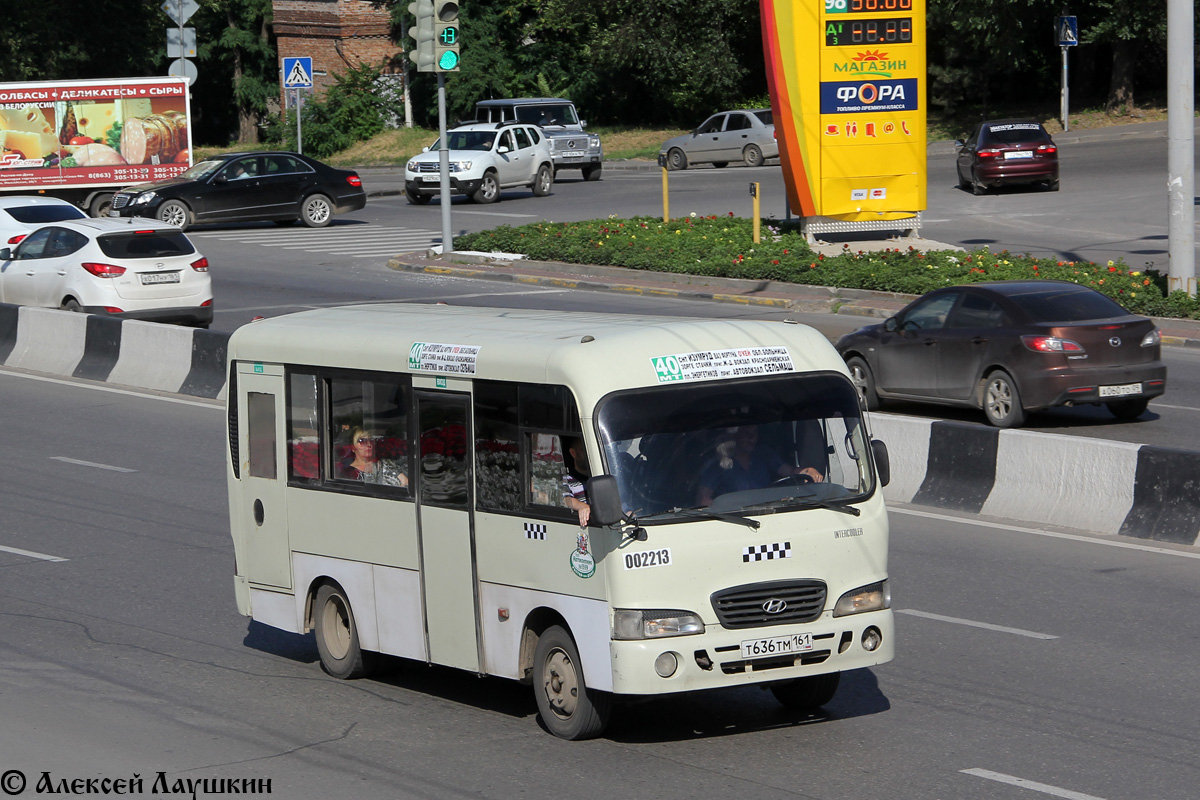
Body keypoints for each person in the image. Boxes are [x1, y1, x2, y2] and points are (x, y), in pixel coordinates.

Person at [696, 425, 822, 507]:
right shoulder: (719, 463)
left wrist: (808, 471)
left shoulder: (764, 454)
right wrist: (725, 506)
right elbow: (702, 501)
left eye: (754, 432)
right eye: (746, 433)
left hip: (769, 514)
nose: (752, 438)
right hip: (734, 519)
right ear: (734, 436)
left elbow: (790, 472)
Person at [338, 426, 408, 487]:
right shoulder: (349, 473)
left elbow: (405, 482)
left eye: (371, 440)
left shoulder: (386, 465)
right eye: (362, 441)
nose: (369, 444)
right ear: (353, 447)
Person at [562, 437, 591, 527]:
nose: (589, 454)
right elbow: (566, 499)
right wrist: (582, 506)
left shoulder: (600, 473)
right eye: (585, 450)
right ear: (573, 453)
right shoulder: (567, 479)